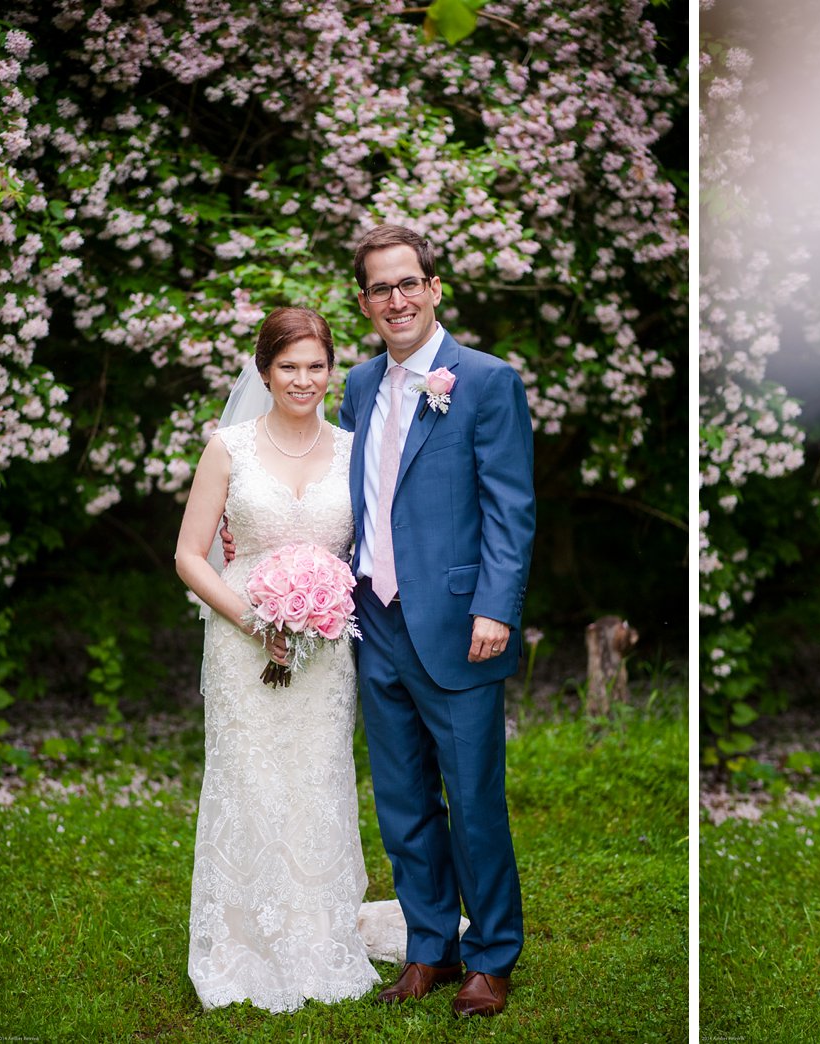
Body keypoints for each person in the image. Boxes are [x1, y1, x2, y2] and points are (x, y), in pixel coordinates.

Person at [340, 224, 535, 1017]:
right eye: (381, 288)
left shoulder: (484, 381)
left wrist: (497, 603)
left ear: (435, 287)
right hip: (373, 619)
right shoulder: (356, 385)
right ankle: (430, 948)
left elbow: (510, 507)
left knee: (474, 798)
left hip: (458, 621)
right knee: (402, 798)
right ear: (365, 303)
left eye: (408, 282)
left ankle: (491, 956)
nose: (397, 299)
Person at [175, 307, 380, 1012]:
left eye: (315, 365)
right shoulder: (228, 447)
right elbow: (188, 555)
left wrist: (324, 604)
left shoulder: (357, 449)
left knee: (317, 780)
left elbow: (369, 555)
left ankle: (316, 938)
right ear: (263, 372)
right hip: (240, 644)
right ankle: (242, 944)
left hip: (325, 649)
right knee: (250, 781)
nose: (303, 379)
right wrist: (253, 619)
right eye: (288, 366)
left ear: (331, 369)